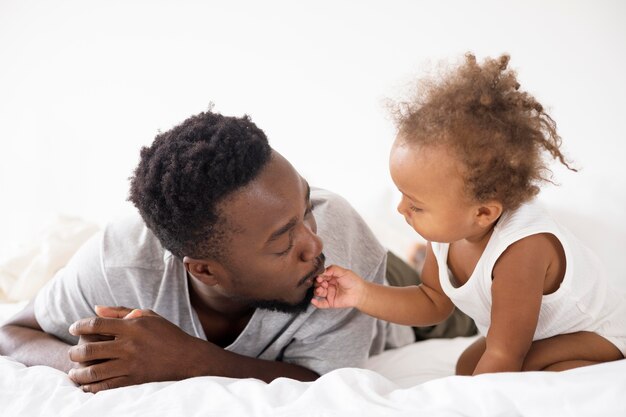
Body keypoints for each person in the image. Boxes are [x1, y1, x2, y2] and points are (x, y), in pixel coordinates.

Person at [0, 109, 472, 393]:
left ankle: (414, 258)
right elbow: (12, 335)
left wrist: (188, 361)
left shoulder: (338, 241)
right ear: (204, 270)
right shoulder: (120, 261)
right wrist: (97, 365)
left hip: (392, 296)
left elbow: (324, 386)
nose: (314, 244)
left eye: (304, 207)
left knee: (462, 300)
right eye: (284, 240)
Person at [312, 53, 626, 375]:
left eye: (416, 205)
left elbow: (505, 353)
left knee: (514, 368)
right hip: (540, 334)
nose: (401, 209)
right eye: (402, 195)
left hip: (597, 334)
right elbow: (431, 301)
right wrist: (362, 293)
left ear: (484, 213)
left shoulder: (520, 251)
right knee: (466, 366)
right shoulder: (447, 234)